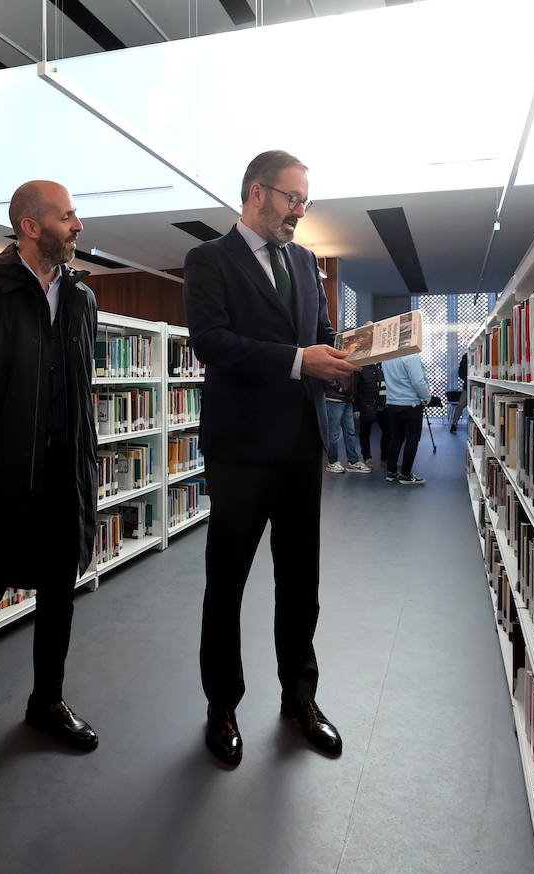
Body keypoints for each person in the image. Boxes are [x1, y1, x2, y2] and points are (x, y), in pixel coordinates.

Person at [183, 150, 353, 767]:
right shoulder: (209, 261)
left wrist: (346, 360)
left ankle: (300, 698)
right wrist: (298, 359)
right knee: (225, 585)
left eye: (304, 202)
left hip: (301, 449)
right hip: (242, 452)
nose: (299, 212)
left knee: (300, 583)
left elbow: (323, 335)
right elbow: (212, 344)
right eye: (292, 199)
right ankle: (221, 706)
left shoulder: (307, 263)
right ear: (258, 193)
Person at [0, 180, 100, 791]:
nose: (77, 225)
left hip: (66, 475)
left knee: (59, 595)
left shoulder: (80, 300)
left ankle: (46, 703)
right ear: (31, 226)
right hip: (2, 479)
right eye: (67, 216)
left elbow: (79, 387)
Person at [381, 351, 431, 485]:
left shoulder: (387, 356)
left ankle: (391, 472)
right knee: (412, 439)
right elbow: (418, 381)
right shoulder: (410, 355)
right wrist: (426, 398)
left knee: (395, 438)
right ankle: (406, 475)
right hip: (410, 404)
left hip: (392, 403)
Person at [323, 374, 366, 473]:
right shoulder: (333, 358)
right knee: (334, 434)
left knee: (350, 432)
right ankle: (332, 462)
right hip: (334, 399)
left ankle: (353, 462)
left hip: (347, 399)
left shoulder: (347, 359)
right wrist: (339, 388)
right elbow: (326, 374)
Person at [351, 363, 385, 471]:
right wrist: (356, 408)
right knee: (365, 432)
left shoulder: (382, 365)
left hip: (383, 405)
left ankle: (385, 458)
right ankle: (367, 457)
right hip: (366, 405)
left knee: (388, 431)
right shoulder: (361, 367)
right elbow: (355, 388)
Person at [449, 351, 468, 433]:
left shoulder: (466, 356)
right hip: (469, 385)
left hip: (467, 385)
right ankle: (454, 424)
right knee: (460, 405)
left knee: (460, 406)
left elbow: (460, 373)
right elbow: (461, 373)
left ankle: (454, 424)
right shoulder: (466, 356)